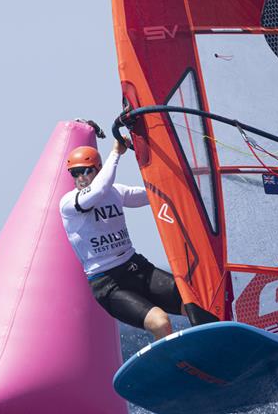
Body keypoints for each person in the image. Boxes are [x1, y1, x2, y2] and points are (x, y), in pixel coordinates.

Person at [59, 135, 186, 340]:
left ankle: (220, 350)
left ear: (98, 169)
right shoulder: (69, 203)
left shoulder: (116, 191)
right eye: (75, 173)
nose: (80, 177)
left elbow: (156, 194)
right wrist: (116, 153)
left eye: (85, 170)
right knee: (160, 322)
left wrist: (184, 176)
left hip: (136, 267)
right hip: (108, 283)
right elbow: (98, 190)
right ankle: (172, 367)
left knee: (194, 302)